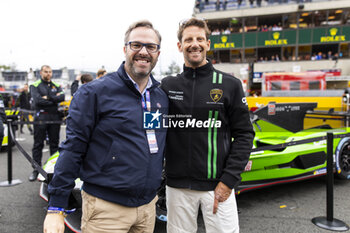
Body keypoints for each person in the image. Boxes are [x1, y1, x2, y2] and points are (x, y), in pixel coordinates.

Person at [43, 20, 168, 233]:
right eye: (136, 45)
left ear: (158, 52)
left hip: (147, 208)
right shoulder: (94, 92)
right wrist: (56, 207)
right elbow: (73, 147)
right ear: (125, 49)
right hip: (106, 210)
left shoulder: (160, 96)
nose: (143, 52)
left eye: (151, 46)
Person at [161, 18, 255, 233]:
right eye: (188, 40)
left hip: (218, 186)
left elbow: (244, 135)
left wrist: (229, 180)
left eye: (200, 39)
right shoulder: (167, 85)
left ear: (208, 44)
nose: (194, 44)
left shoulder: (230, 84)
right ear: (180, 46)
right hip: (177, 186)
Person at [29, 65, 65, 182]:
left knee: (54, 144)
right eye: (46, 72)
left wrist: (48, 97)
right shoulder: (34, 85)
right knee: (38, 144)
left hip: (54, 118)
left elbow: (62, 97)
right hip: (41, 118)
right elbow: (38, 100)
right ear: (41, 72)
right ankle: (36, 169)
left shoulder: (56, 85)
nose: (48, 74)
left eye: (50, 72)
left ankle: (53, 169)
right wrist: (53, 99)